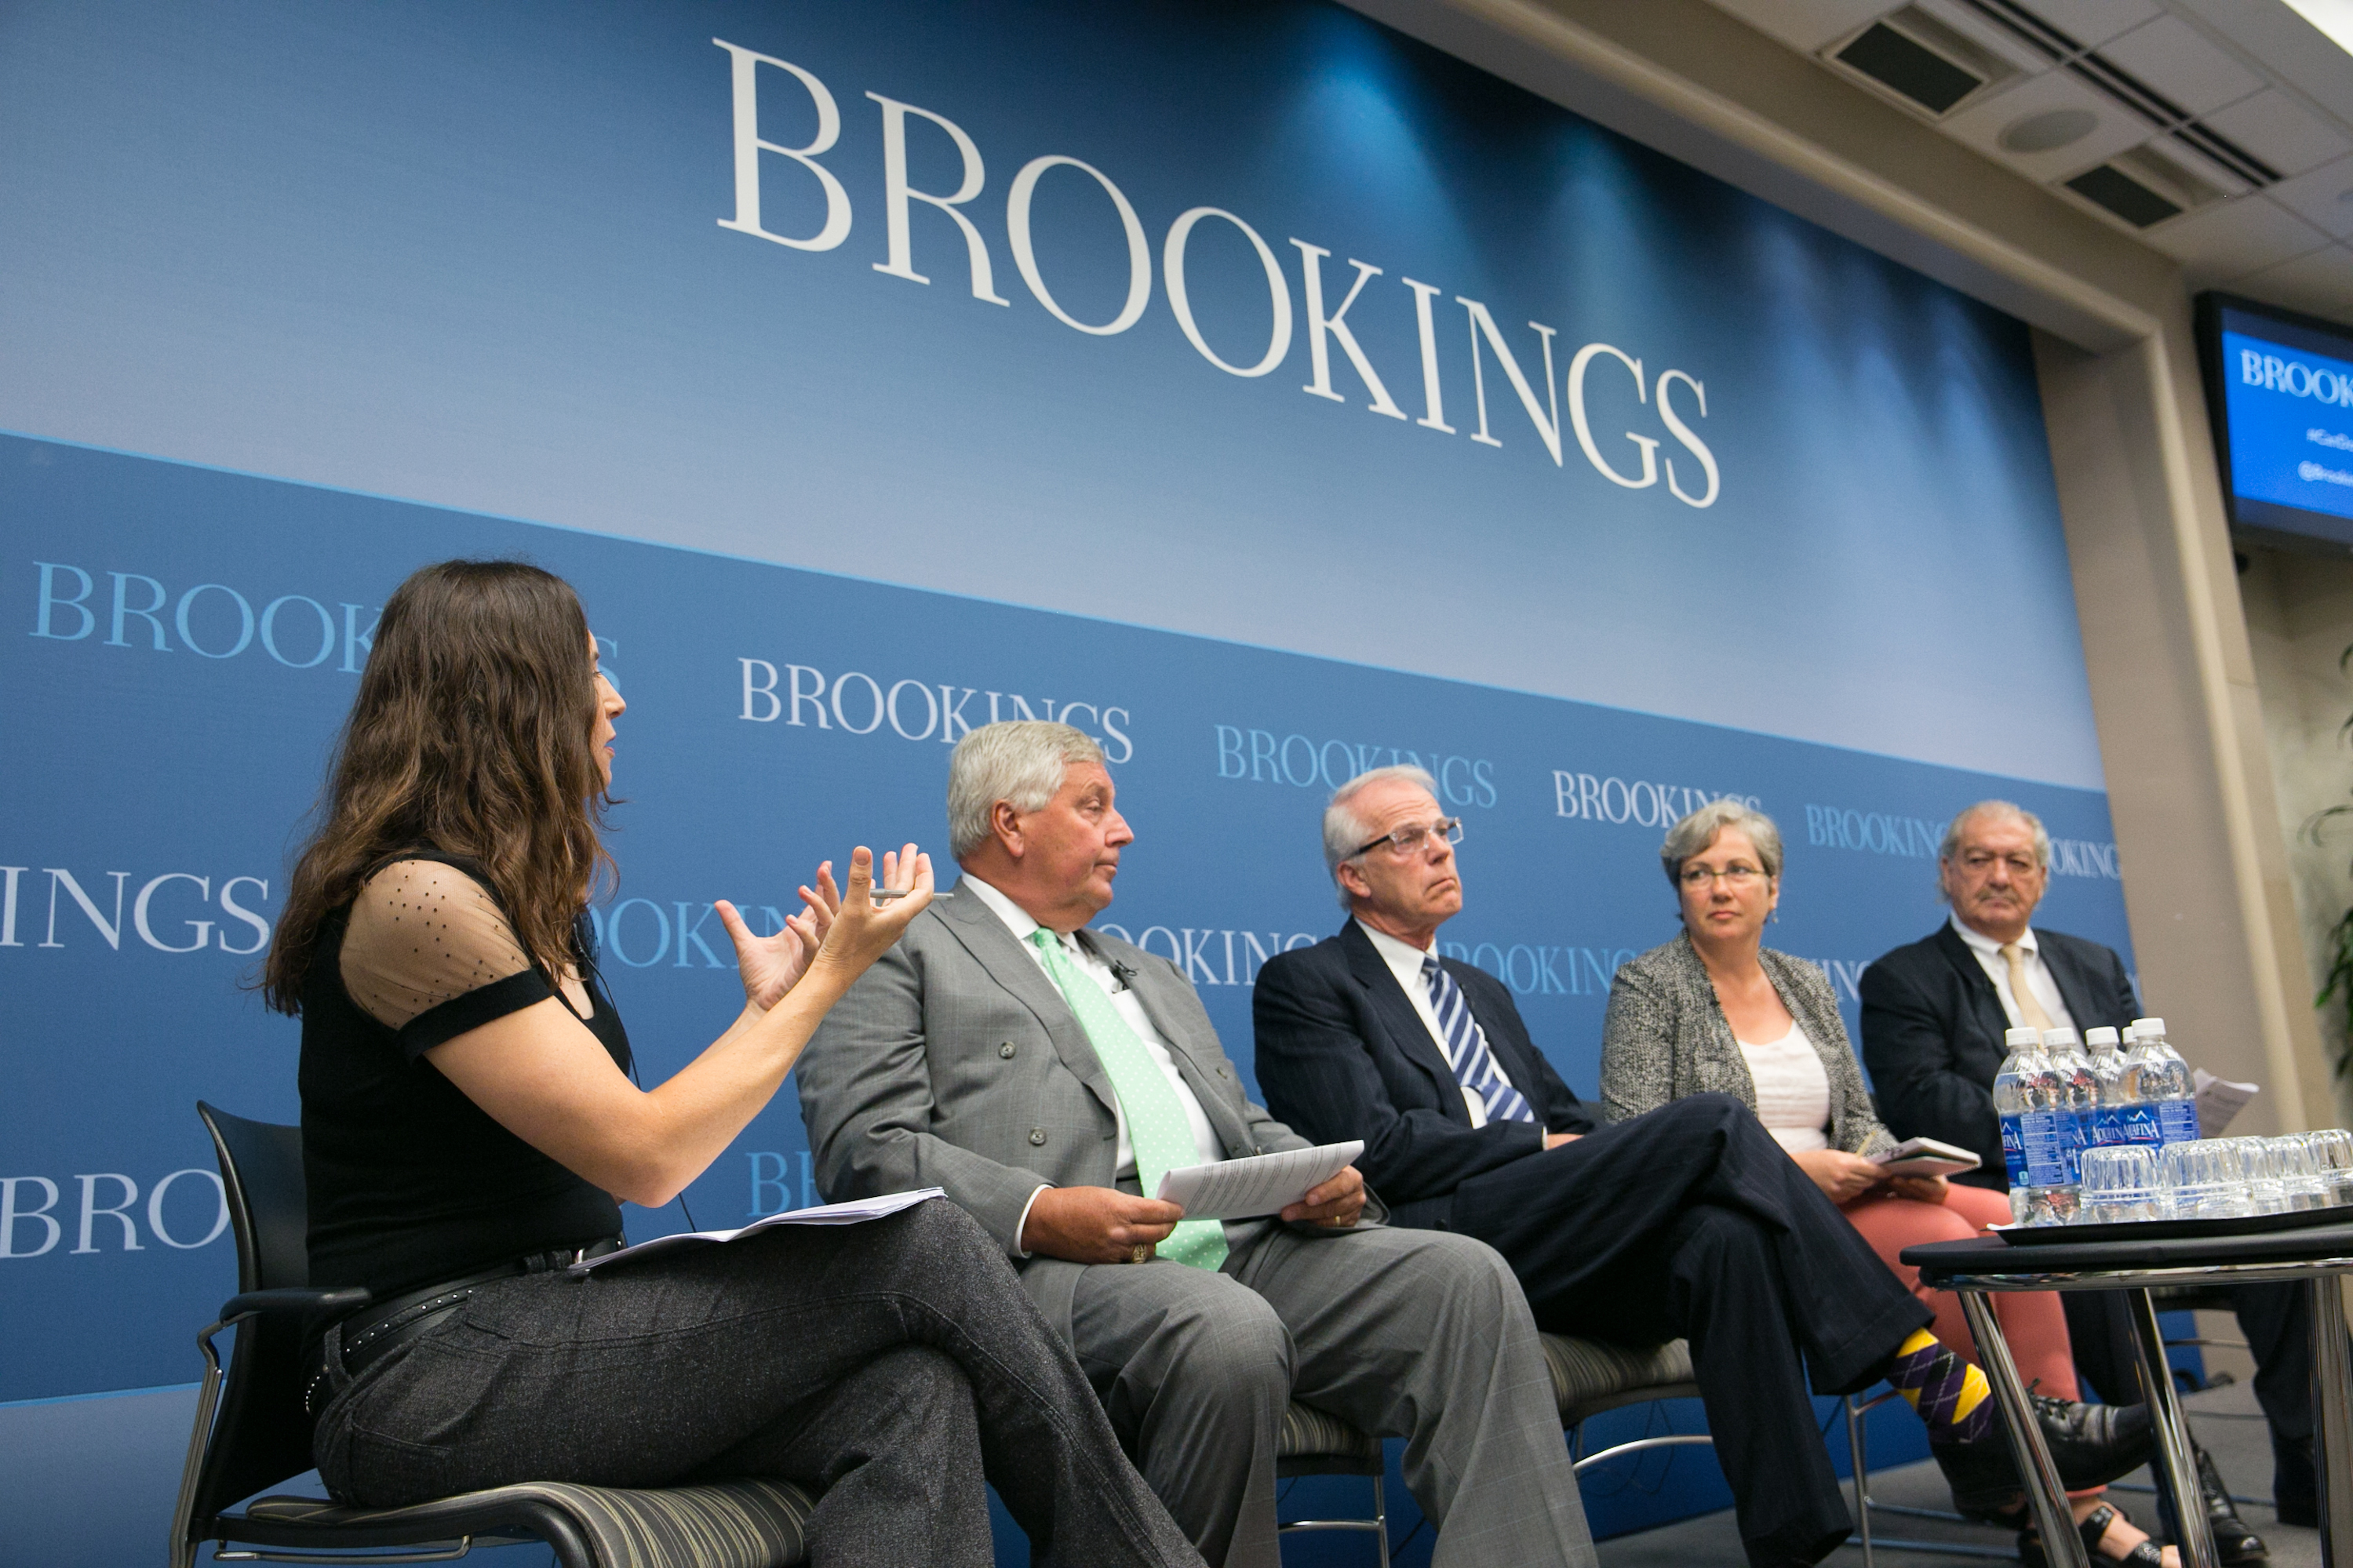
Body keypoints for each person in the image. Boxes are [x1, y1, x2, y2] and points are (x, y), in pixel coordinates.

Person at [264, 562, 1200, 1568]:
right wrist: (826, 979)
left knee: (913, 1394)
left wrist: (779, 1000)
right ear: (510, 692)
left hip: (550, 1327)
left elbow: (621, 1137)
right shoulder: (417, 898)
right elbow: (646, 1157)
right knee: (925, 1245)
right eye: (588, 669)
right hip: (429, 1382)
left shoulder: (522, 902)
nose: (615, 696)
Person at [1251, 766, 2147, 1568]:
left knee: (1724, 1238)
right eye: (1407, 837)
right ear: (1353, 874)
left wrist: (1572, 1143)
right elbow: (1376, 1145)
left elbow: (1565, 1114)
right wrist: (1545, 1147)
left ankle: (1793, 1543)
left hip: (1557, 1233)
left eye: (1444, 829)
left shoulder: (1478, 988)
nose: (1438, 848)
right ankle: (1952, 1389)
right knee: (1715, 1123)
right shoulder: (1307, 982)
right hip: (1443, 1241)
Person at [796, 722, 1594, 1568]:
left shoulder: (1149, 971)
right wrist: (1038, 1211)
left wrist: (1323, 1175)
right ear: (1010, 823)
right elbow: (866, 1146)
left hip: (1237, 1241)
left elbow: (1238, 1123)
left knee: (1463, 1279)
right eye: (1094, 805)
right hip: (1055, 1271)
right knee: (1224, 1331)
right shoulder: (898, 944)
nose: (1124, 829)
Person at [1599, 799, 2165, 1568]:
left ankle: (2047, 1457)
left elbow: (1858, 1119)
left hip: (1849, 1190)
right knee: (1942, 1243)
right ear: (1680, 891)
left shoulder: (1798, 980)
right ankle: (2069, 1503)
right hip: (1751, 1212)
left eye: (1738, 870)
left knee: (2007, 1218)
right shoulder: (1647, 985)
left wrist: (1900, 1166)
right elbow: (1637, 1142)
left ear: (1774, 888)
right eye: (1698, 874)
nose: (1718, 887)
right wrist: (1802, 1171)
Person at [1863, 799, 2315, 1555]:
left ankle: (2309, 1466)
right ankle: (2191, 1490)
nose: (1998, 876)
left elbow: (2144, 1077)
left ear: (2042, 877)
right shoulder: (1903, 977)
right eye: (1978, 859)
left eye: (2017, 862)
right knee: (2086, 1255)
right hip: (2027, 1195)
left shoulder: (2092, 962)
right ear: (1946, 873)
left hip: (2142, 1184)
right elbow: (1923, 1099)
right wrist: (2065, 1143)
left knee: (2278, 1253)